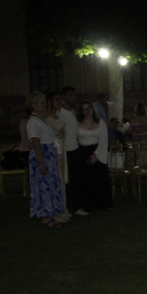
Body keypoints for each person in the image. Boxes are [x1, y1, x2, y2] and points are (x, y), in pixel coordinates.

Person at [25, 92, 66, 228]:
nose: (44, 105)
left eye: (44, 102)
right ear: (34, 105)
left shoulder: (42, 120)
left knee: (51, 185)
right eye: (41, 103)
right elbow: (36, 142)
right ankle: (46, 217)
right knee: (44, 186)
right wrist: (41, 162)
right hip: (42, 155)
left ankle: (51, 213)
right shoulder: (33, 121)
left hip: (49, 155)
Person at [75, 100, 114, 212]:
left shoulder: (100, 122)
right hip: (82, 152)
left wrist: (96, 154)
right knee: (86, 179)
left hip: (98, 150)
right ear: (81, 111)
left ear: (92, 109)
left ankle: (104, 204)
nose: (87, 110)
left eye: (89, 108)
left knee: (100, 179)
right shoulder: (77, 123)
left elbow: (103, 139)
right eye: (84, 109)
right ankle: (88, 204)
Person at [44, 92, 70, 223]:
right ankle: (55, 212)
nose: (60, 102)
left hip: (61, 151)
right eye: (57, 100)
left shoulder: (59, 116)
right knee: (55, 182)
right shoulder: (46, 119)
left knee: (61, 182)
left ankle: (62, 209)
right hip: (53, 152)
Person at [59, 86, 82, 215]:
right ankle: (67, 207)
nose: (74, 98)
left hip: (75, 148)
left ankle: (76, 207)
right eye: (70, 95)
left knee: (76, 179)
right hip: (65, 150)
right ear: (63, 97)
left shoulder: (72, 112)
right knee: (67, 180)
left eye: (74, 95)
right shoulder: (60, 113)